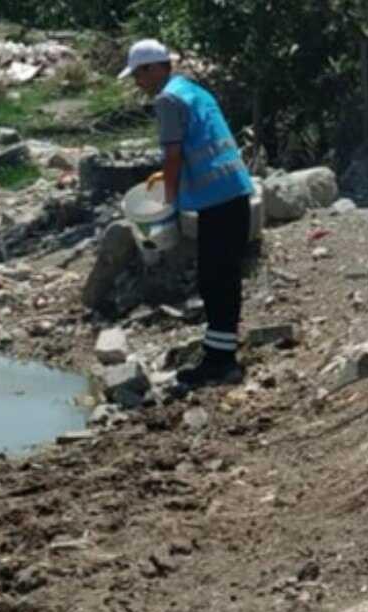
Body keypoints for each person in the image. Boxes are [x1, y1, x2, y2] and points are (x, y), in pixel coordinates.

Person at [118, 39, 254, 390]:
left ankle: (222, 364)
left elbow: (174, 154)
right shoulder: (192, 90)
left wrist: (170, 202)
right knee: (223, 278)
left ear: (154, 69)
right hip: (234, 190)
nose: (138, 84)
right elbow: (202, 141)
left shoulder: (167, 100)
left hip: (217, 202)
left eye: (138, 75)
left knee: (214, 280)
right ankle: (221, 354)